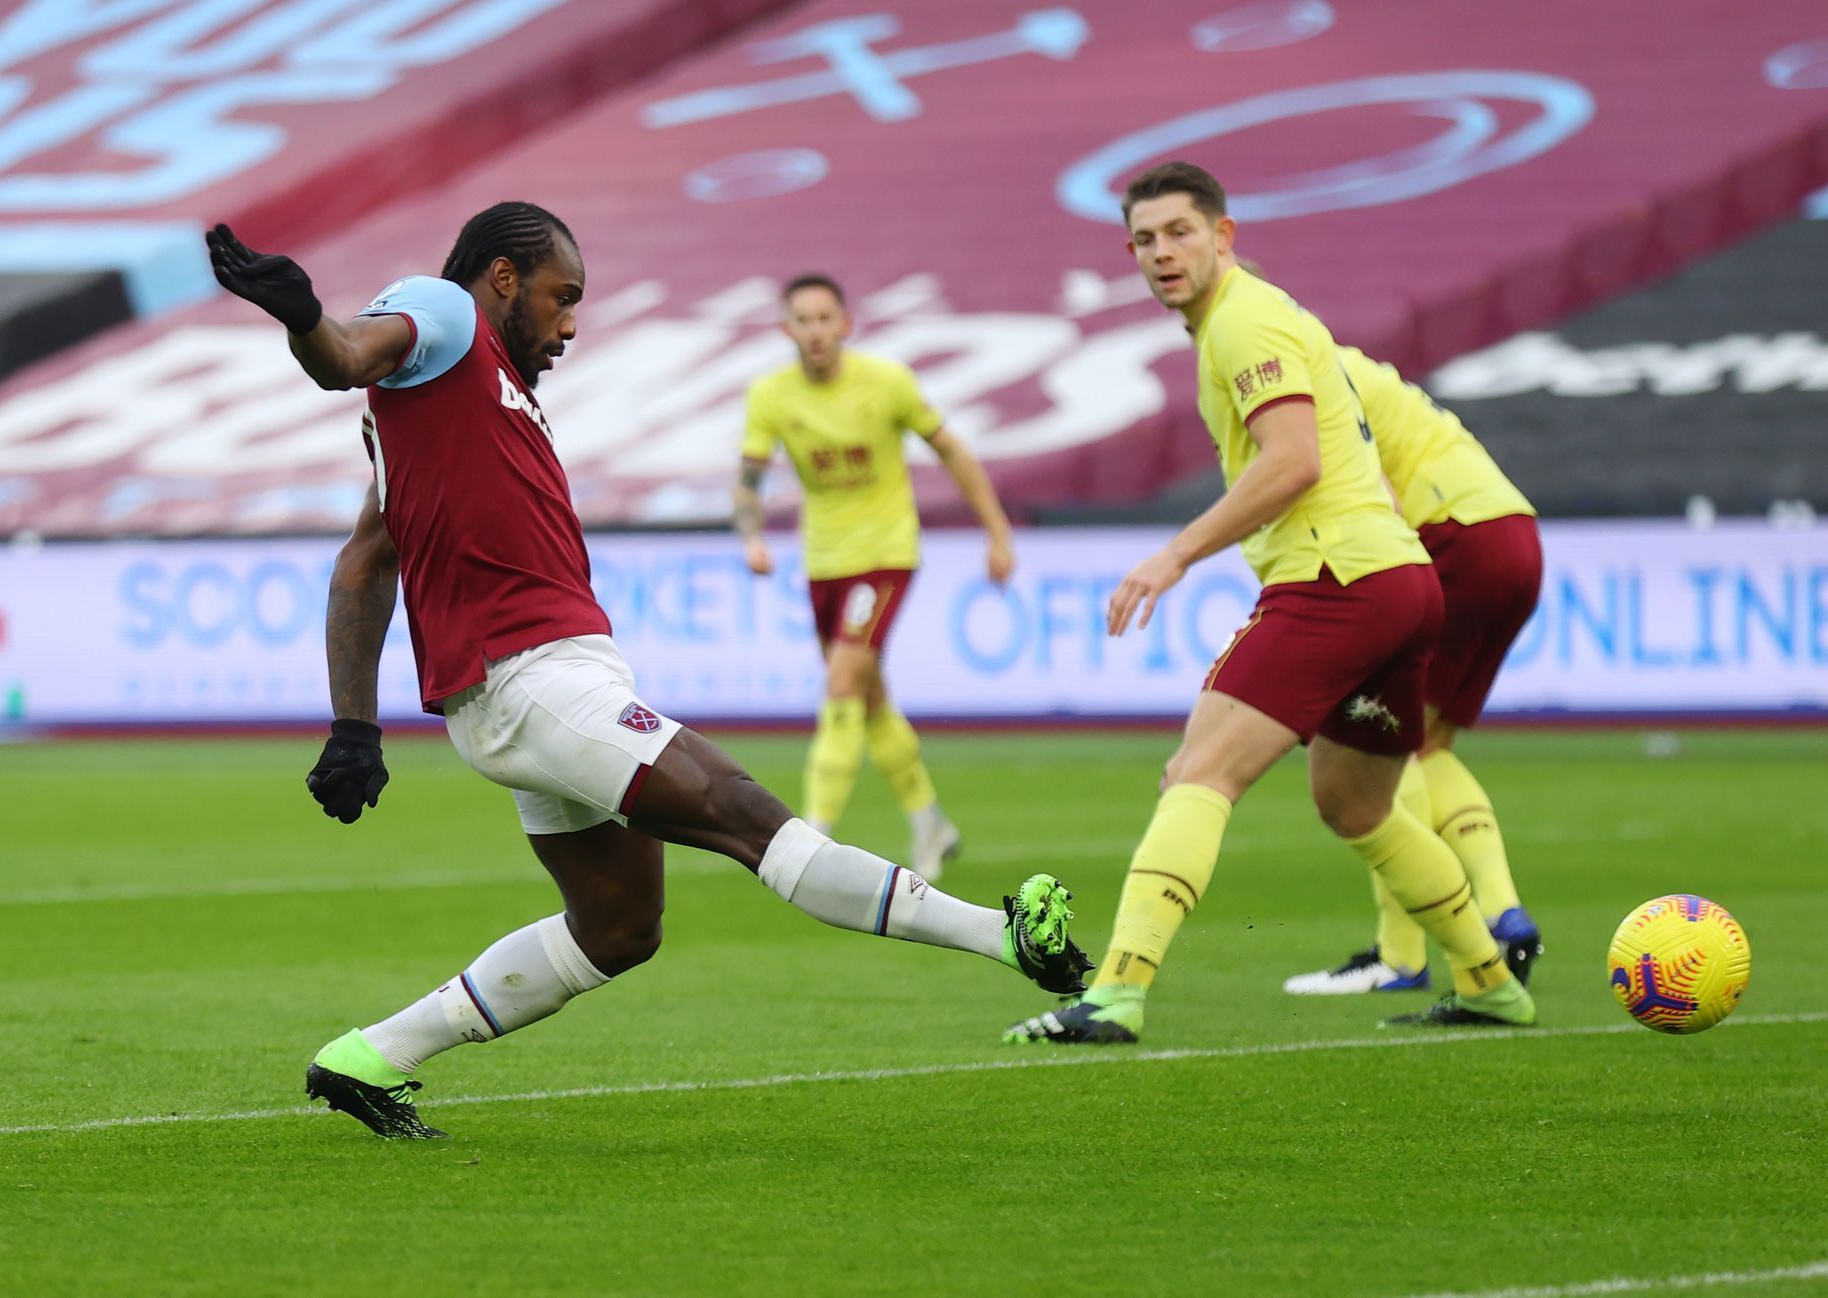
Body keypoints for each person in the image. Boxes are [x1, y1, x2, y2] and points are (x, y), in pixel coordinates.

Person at [205, 205, 1088, 1139]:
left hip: (541, 687)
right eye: (562, 296)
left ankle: (366, 1059)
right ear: (503, 278)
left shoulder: (445, 409)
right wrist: (306, 320)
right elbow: (345, 356)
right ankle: (1006, 938)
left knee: (620, 926)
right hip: (534, 681)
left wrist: (356, 727)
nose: (571, 323)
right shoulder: (447, 313)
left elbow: (365, 560)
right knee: (750, 817)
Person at [1004, 163, 1536, 1045]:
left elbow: (1293, 462)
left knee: (1198, 772)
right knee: (1357, 804)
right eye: (1145, 239)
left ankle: (1116, 993)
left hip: (1336, 581)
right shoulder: (1245, 317)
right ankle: (1488, 981)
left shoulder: (1242, 320)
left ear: (1224, 235)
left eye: (1180, 232)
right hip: (1401, 583)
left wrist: (1174, 555)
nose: (1162, 252)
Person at [735, 275, 1016, 881]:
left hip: (886, 554)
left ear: (845, 324)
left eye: (824, 318)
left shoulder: (887, 383)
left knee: (840, 686)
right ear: (787, 329)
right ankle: (930, 823)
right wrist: (751, 535)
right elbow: (749, 478)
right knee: (868, 697)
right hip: (824, 561)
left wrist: (996, 531)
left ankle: (811, 838)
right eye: (802, 320)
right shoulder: (771, 395)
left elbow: (954, 451)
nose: (814, 331)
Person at [1283, 344, 1544, 995]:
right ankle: (1502, 912)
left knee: (1380, 747)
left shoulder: (1293, 371)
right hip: (1509, 528)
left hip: (1448, 532)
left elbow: (1371, 494)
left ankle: (1400, 957)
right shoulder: (1331, 356)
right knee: (1426, 745)